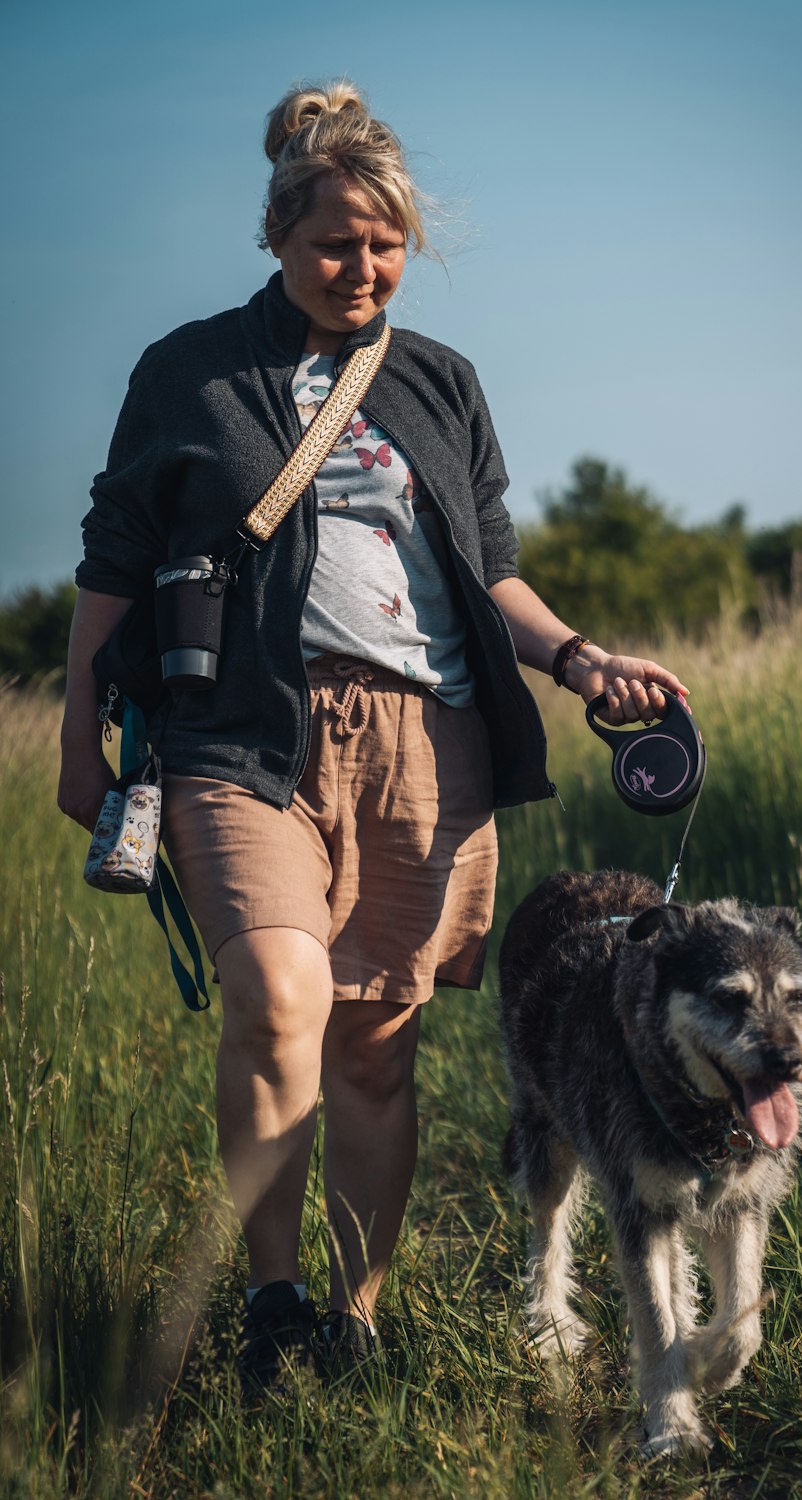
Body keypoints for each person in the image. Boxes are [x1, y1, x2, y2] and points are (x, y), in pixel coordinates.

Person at [58, 81, 690, 1388]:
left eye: (385, 242)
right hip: (240, 735)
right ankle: (273, 1302)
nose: (363, 267)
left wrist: (580, 659)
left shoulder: (441, 382)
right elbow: (114, 561)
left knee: (374, 1045)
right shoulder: (188, 373)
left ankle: (357, 1322)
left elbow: (492, 563)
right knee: (280, 998)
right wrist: (80, 732)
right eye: (334, 242)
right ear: (277, 236)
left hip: (429, 742)